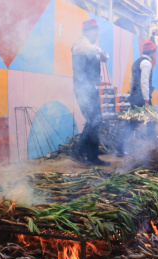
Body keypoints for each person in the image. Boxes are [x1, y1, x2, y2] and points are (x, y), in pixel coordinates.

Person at [71, 18, 110, 166]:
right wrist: (101, 53)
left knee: (95, 120)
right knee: (94, 119)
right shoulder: (81, 43)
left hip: (90, 89)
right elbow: (91, 49)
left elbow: (102, 56)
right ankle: (78, 151)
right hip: (83, 89)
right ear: (87, 31)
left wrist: (103, 56)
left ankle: (89, 154)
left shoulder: (91, 46)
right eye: (95, 30)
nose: (97, 33)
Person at [129, 39, 157, 108]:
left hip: (134, 98)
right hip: (142, 100)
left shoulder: (136, 62)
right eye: (154, 52)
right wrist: (146, 100)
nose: (154, 55)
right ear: (151, 53)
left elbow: (131, 81)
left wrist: (133, 93)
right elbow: (144, 82)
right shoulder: (147, 63)